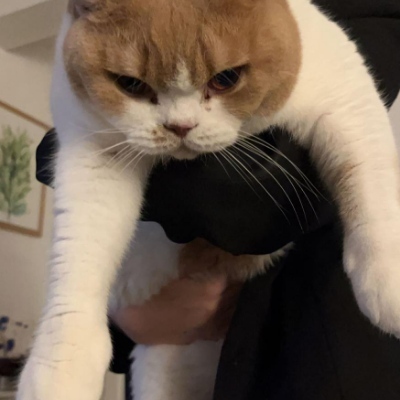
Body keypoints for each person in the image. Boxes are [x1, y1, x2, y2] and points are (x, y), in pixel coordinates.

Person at [36, 0, 400, 398]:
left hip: (305, 344)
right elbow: (94, 162)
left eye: (224, 79)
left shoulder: (318, 32)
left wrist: (378, 239)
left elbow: (348, 106)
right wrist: (93, 318)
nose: (181, 124)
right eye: (134, 84)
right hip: (161, 325)